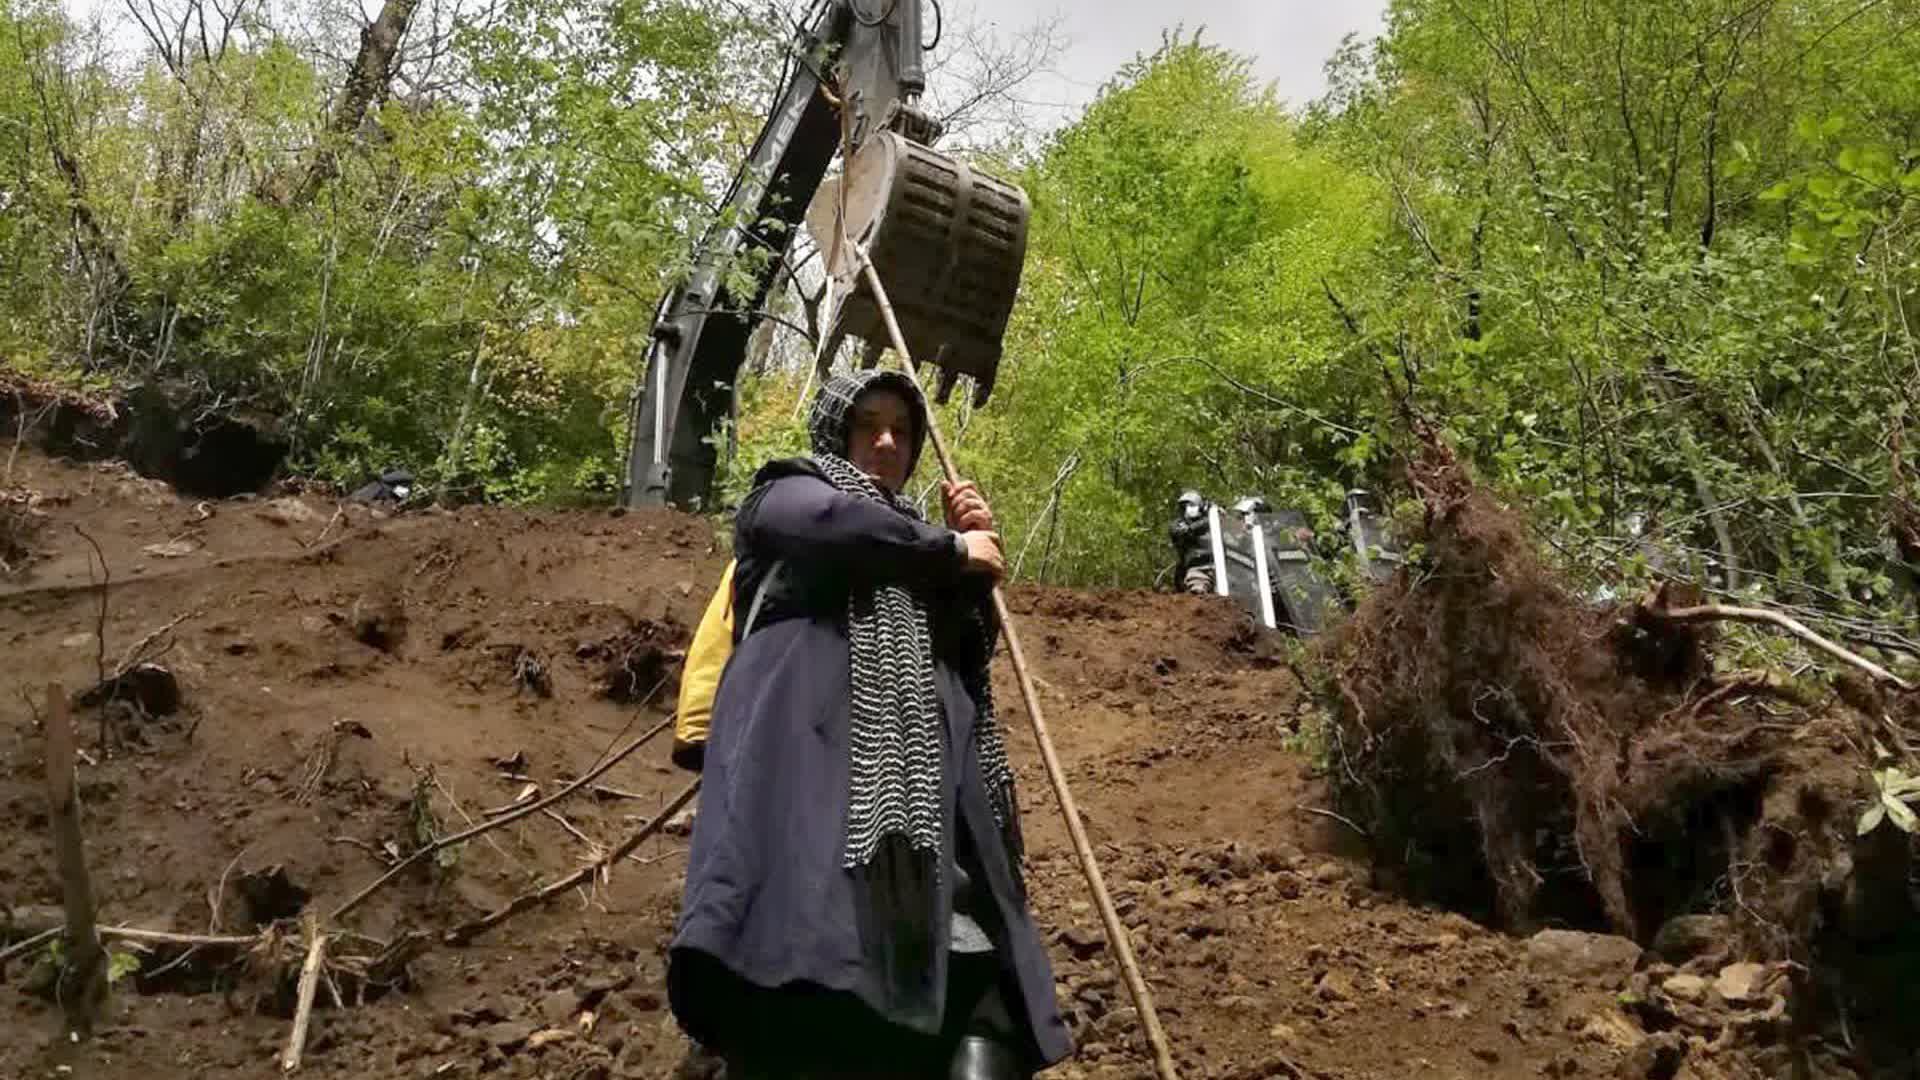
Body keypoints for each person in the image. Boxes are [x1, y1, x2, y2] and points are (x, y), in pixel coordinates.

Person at [668, 370, 1072, 1080]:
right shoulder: (787, 490)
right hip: (810, 764)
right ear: (835, 431)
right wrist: (947, 551)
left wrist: (970, 553)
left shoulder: (919, 545)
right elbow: (829, 526)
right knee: (807, 956)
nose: (887, 441)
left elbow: (966, 653)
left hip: (927, 799)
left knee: (976, 992)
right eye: (867, 424)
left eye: (903, 430)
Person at [1169, 490, 1215, 594]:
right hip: (1197, 568)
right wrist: (1210, 519)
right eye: (1186, 506)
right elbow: (1182, 532)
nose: (1189, 508)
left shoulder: (1215, 524)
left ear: (1202, 507)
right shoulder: (1178, 525)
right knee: (1198, 590)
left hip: (1219, 568)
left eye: (1192, 505)